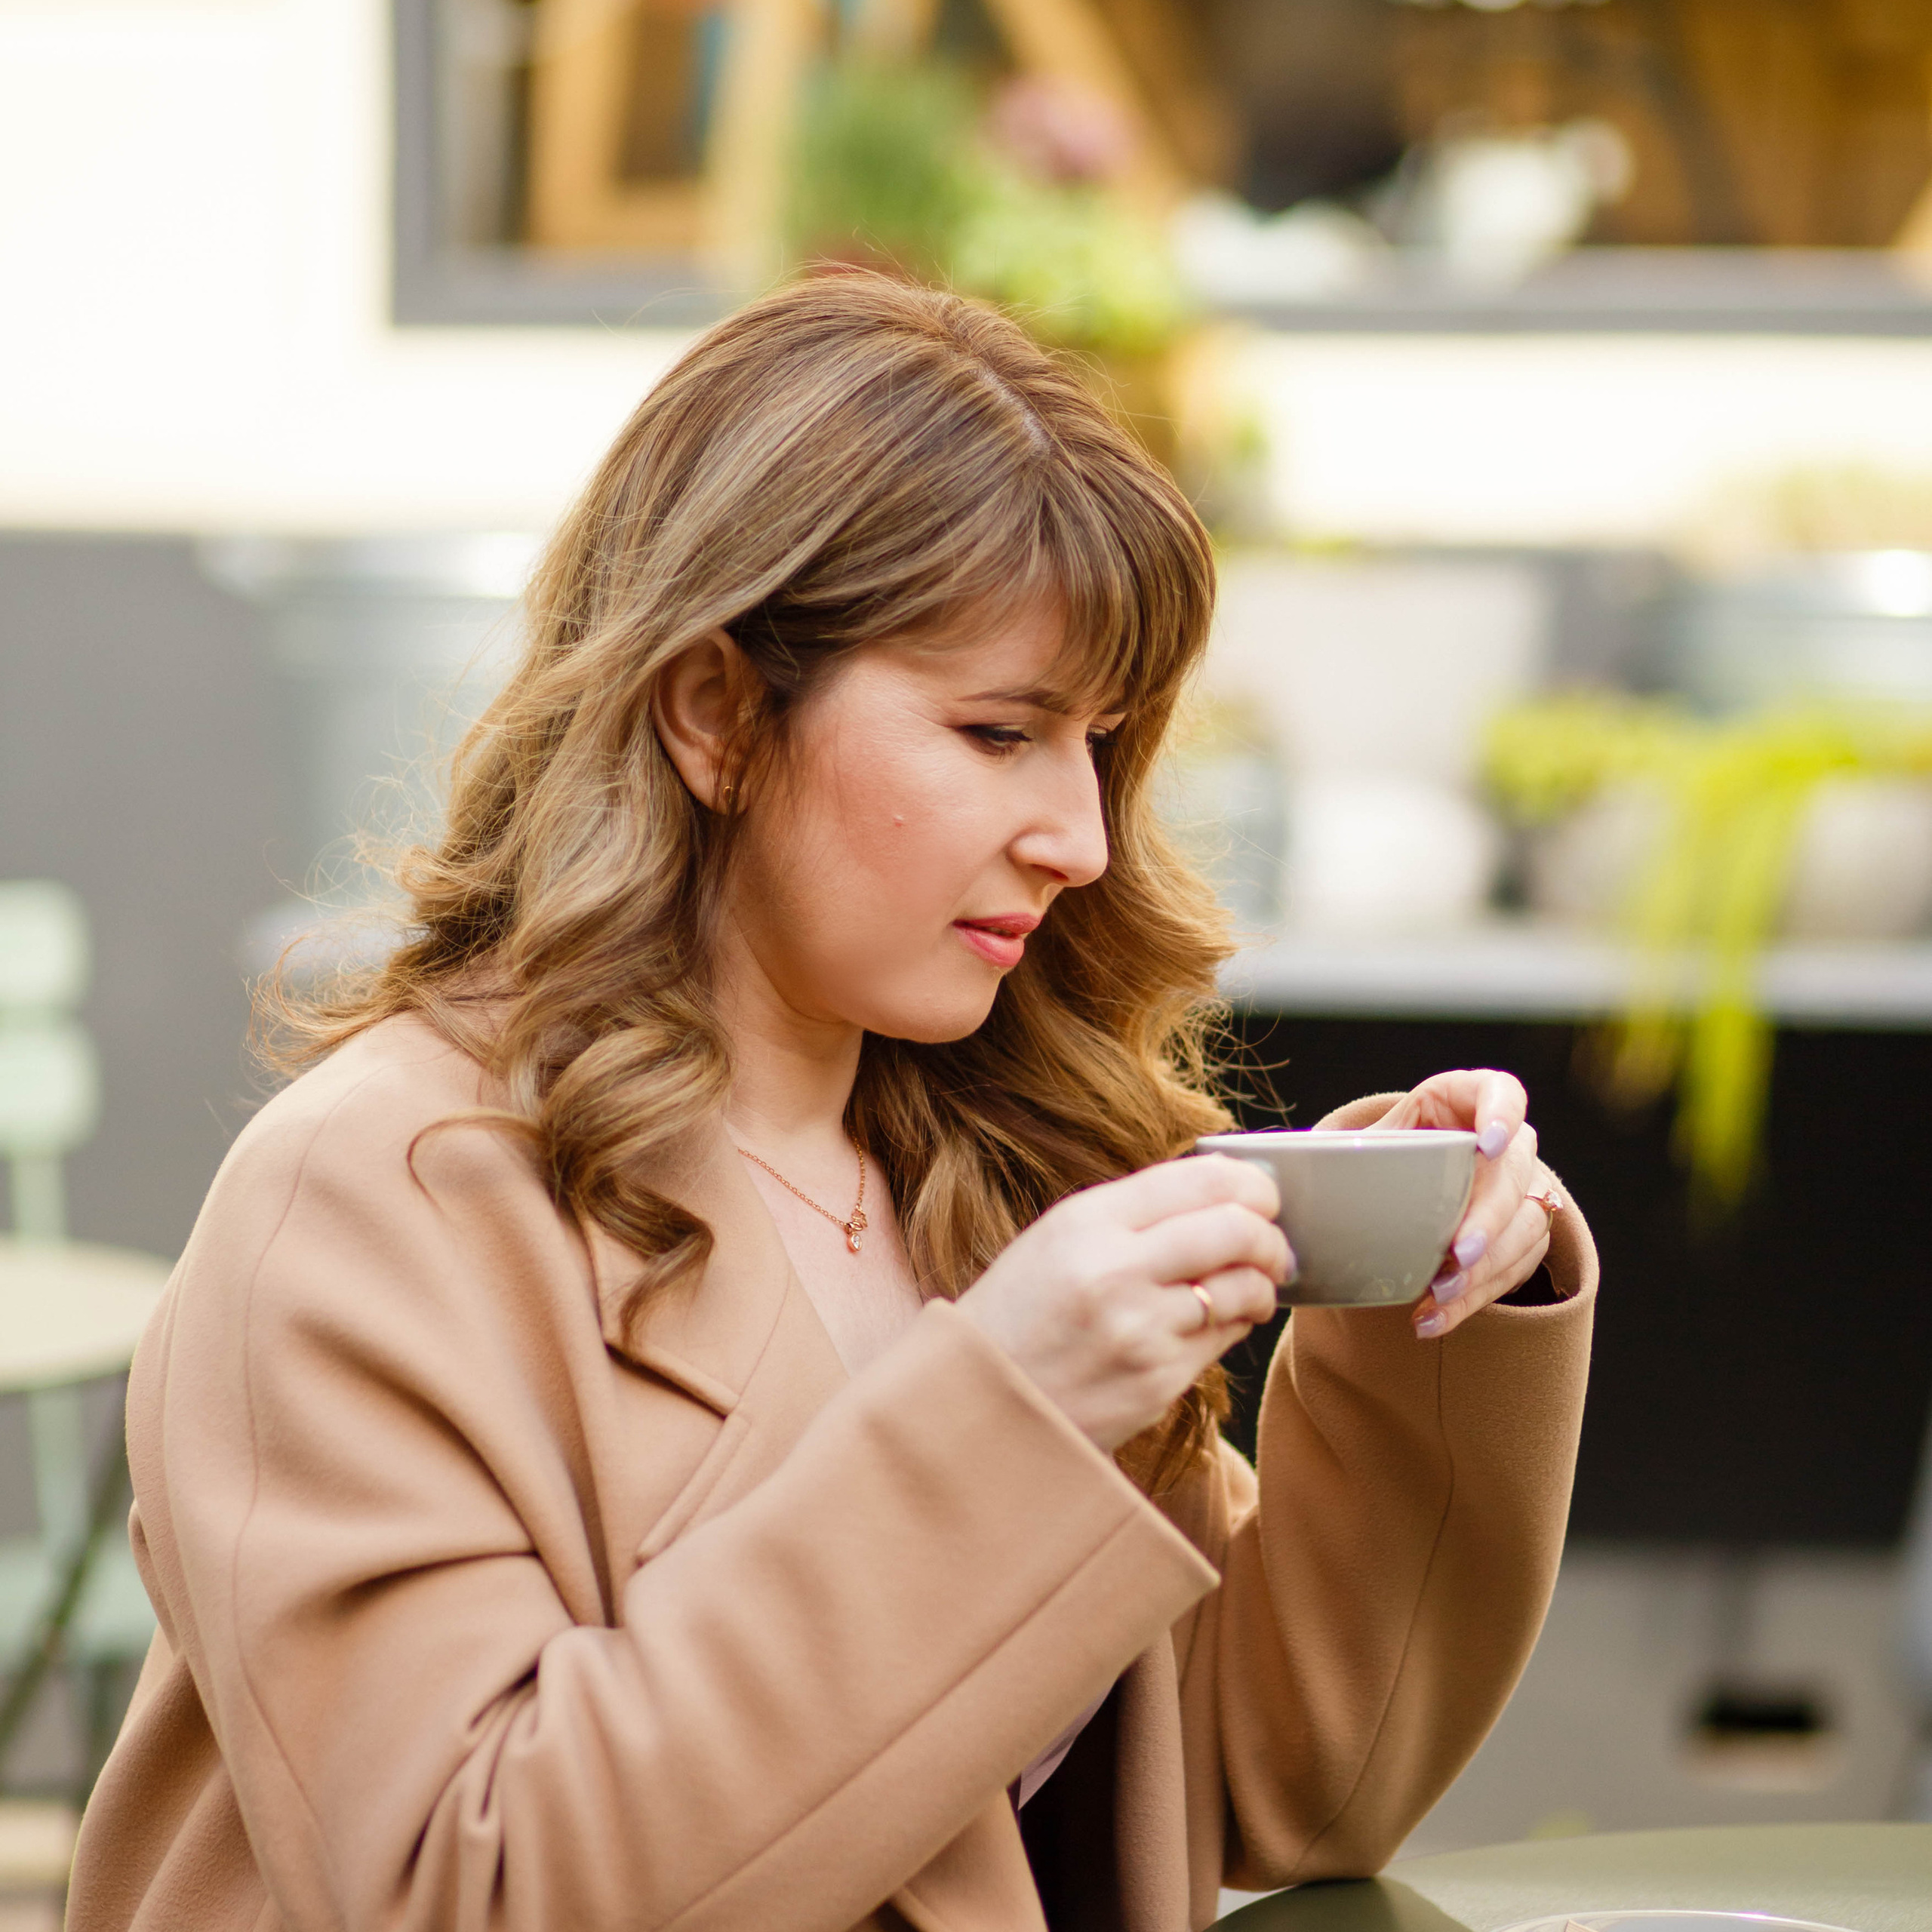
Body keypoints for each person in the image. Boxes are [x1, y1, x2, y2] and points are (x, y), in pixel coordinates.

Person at [68, 272, 1594, 1932]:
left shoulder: (987, 1161)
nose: (1077, 836)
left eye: (1098, 742)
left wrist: (1420, 1299)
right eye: (995, 729)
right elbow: (462, 1885)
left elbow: (1288, 1780)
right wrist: (1001, 1404)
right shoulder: (377, 1198)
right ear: (716, 709)